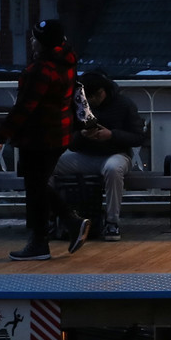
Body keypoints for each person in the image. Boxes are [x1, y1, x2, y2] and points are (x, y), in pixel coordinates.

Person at [0, 19, 87, 261]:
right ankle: (67, 223)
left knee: (35, 189)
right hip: (59, 133)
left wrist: (2, 134)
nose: (31, 41)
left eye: (35, 37)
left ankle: (41, 241)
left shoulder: (41, 70)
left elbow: (25, 106)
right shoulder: (67, 62)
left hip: (38, 136)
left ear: (43, 43)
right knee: (38, 185)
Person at [53, 71, 145, 242]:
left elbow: (138, 137)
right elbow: (68, 140)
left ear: (102, 92)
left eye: (92, 98)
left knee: (113, 169)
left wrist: (111, 135)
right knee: (48, 165)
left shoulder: (124, 105)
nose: (90, 103)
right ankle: (54, 217)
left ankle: (112, 221)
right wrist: (81, 135)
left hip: (116, 154)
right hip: (85, 155)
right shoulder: (79, 104)